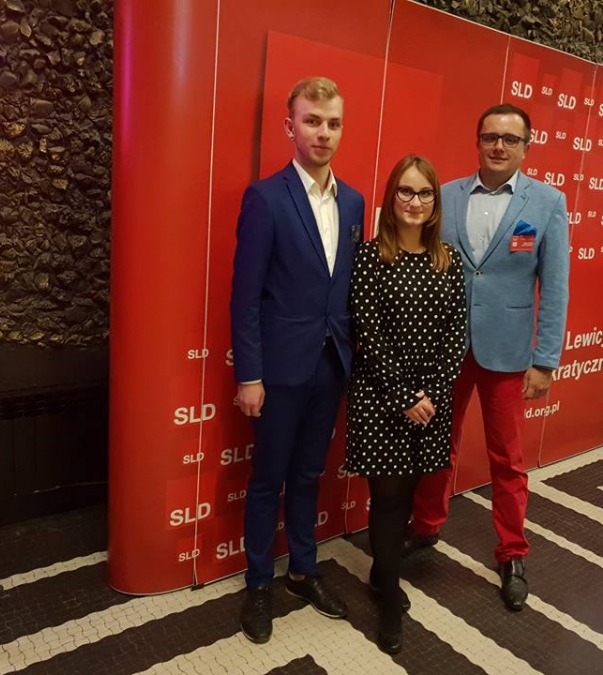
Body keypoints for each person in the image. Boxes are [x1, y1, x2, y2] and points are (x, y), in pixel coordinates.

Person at [406, 103, 570, 612]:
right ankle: (425, 526)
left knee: (508, 459)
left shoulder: (547, 202)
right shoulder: (446, 195)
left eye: (510, 139)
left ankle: (512, 552)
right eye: (490, 136)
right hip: (445, 350)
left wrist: (545, 360)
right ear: (477, 141)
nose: (499, 146)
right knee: (437, 444)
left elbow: (555, 287)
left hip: (509, 353)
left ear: (526, 147)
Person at [230, 76, 365, 644]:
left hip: (331, 366)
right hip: (279, 370)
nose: (323, 133)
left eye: (333, 123)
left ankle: (303, 571)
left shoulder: (354, 202)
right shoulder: (265, 198)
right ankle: (259, 583)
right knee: (268, 480)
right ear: (291, 127)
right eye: (312, 121)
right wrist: (250, 375)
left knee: (309, 475)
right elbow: (246, 296)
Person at [345, 154, 466, 654]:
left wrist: (430, 395)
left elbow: (456, 335)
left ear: (436, 202)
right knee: (388, 500)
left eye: (425, 193)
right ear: (391, 197)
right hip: (381, 400)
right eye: (406, 191)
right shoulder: (370, 257)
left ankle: (383, 573)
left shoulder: (448, 259)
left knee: (410, 494)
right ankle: (389, 597)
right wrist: (403, 397)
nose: (415, 202)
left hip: (430, 405)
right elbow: (367, 335)